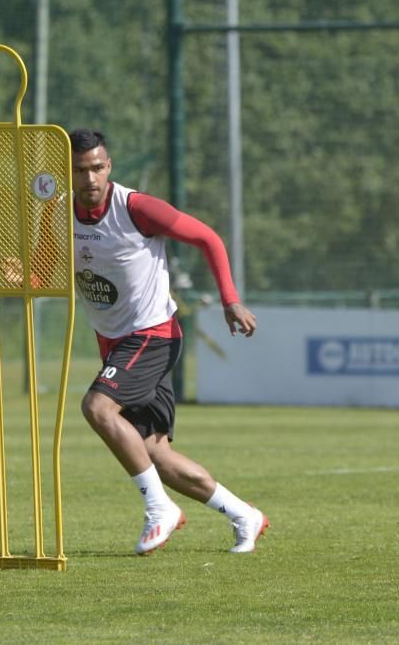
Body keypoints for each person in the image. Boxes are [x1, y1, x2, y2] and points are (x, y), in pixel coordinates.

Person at [69, 128, 268, 554]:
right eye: (81, 170)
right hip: (114, 342)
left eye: (98, 168)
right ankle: (243, 514)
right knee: (154, 453)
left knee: (97, 408)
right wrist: (20, 277)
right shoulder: (58, 216)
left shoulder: (136, 208)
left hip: (153, 335)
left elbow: (207, 238)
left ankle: (159, 509)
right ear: (68, 173)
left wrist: (229, 301)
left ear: (110, 167)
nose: (90, 179)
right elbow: (41, 274)